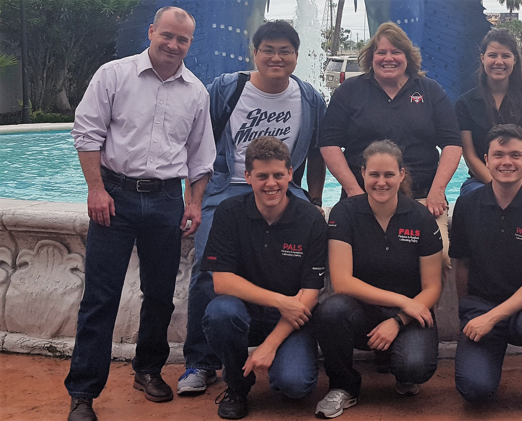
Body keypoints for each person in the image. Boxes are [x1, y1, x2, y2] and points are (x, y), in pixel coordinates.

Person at [65, 7, 216, 421]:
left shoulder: (196, 92)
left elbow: (201, 158)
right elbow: (87, 132)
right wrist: (95, 189)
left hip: (167, 199)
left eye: (182, 39)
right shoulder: (113, 74)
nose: (173, 44)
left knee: (160, 295)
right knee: (100, 297)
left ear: (190, 43)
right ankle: (83, 393)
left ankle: (147, 370)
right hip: (114, 194)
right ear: (151, 32)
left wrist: (194, 202)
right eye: (166, 35)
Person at [178, 20, 327, 396]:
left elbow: (317, 153)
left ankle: (291, 342)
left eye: (285, 51)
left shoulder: (309, 98)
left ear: (295, 56)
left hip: (285, 187)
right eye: (268, 50)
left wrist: (315, 198)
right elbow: (199, 144)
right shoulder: (229, 88)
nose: (276, 57)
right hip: (229, 189)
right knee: (204, 270)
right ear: (255, 53)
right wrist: (194, 200)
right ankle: (200, 361)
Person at [319, 22, 462, 280]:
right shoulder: (349, 92)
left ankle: (422, 314)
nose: (388, 58)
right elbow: (328, 143)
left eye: (395, 52)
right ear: (370, 56)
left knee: (440, 255)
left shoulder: (430, 91)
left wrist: (437, 191)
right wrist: (354, 191)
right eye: (381, 52)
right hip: (361, 199)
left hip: (422, 200)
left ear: (408, 57)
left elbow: (452, 143)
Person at [314, 140, 443, 419]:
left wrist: (398, 320)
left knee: (415, 369)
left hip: (409, 314)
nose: (381, 182)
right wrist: (401, 303)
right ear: (363, 174)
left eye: (388, 175)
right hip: (364, 310)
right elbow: (342, 282)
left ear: (401, 175)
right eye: (374, 174)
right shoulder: (345, 213)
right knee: (330, 311)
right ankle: (343, 386)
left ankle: (398, 364)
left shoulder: (420, 217)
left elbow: (433, 287)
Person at [200, 136, 327, 419]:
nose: (271, 183)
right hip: (246, 313)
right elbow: (221, 281)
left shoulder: (311, 219)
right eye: (262, 176)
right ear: (247, 176)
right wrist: (281, 301)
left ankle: (285, 360)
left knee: (295, 386)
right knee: (220, 312)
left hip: (293, 320)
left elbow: (310, 294)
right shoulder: (229, 213)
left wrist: (270, 345)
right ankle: (236, 385)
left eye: (278, 175)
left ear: (290, 174)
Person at [449, 124, 522, 419]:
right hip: (482, 303)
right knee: (474, 391)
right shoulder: (467, 205)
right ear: (485, 160)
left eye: (515, 155)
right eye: (498, 154)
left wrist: (493, 316)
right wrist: (467, 310)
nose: (507, 162)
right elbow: (461, 262)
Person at [454, 29, 522, 195]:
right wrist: (498, 188)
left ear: (514, 59)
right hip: (482, 182)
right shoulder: (465, 103)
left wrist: (521, 190)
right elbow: (470, 156)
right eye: (492, 55)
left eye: (505, 56)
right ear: (483, 58)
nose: (499, 61)